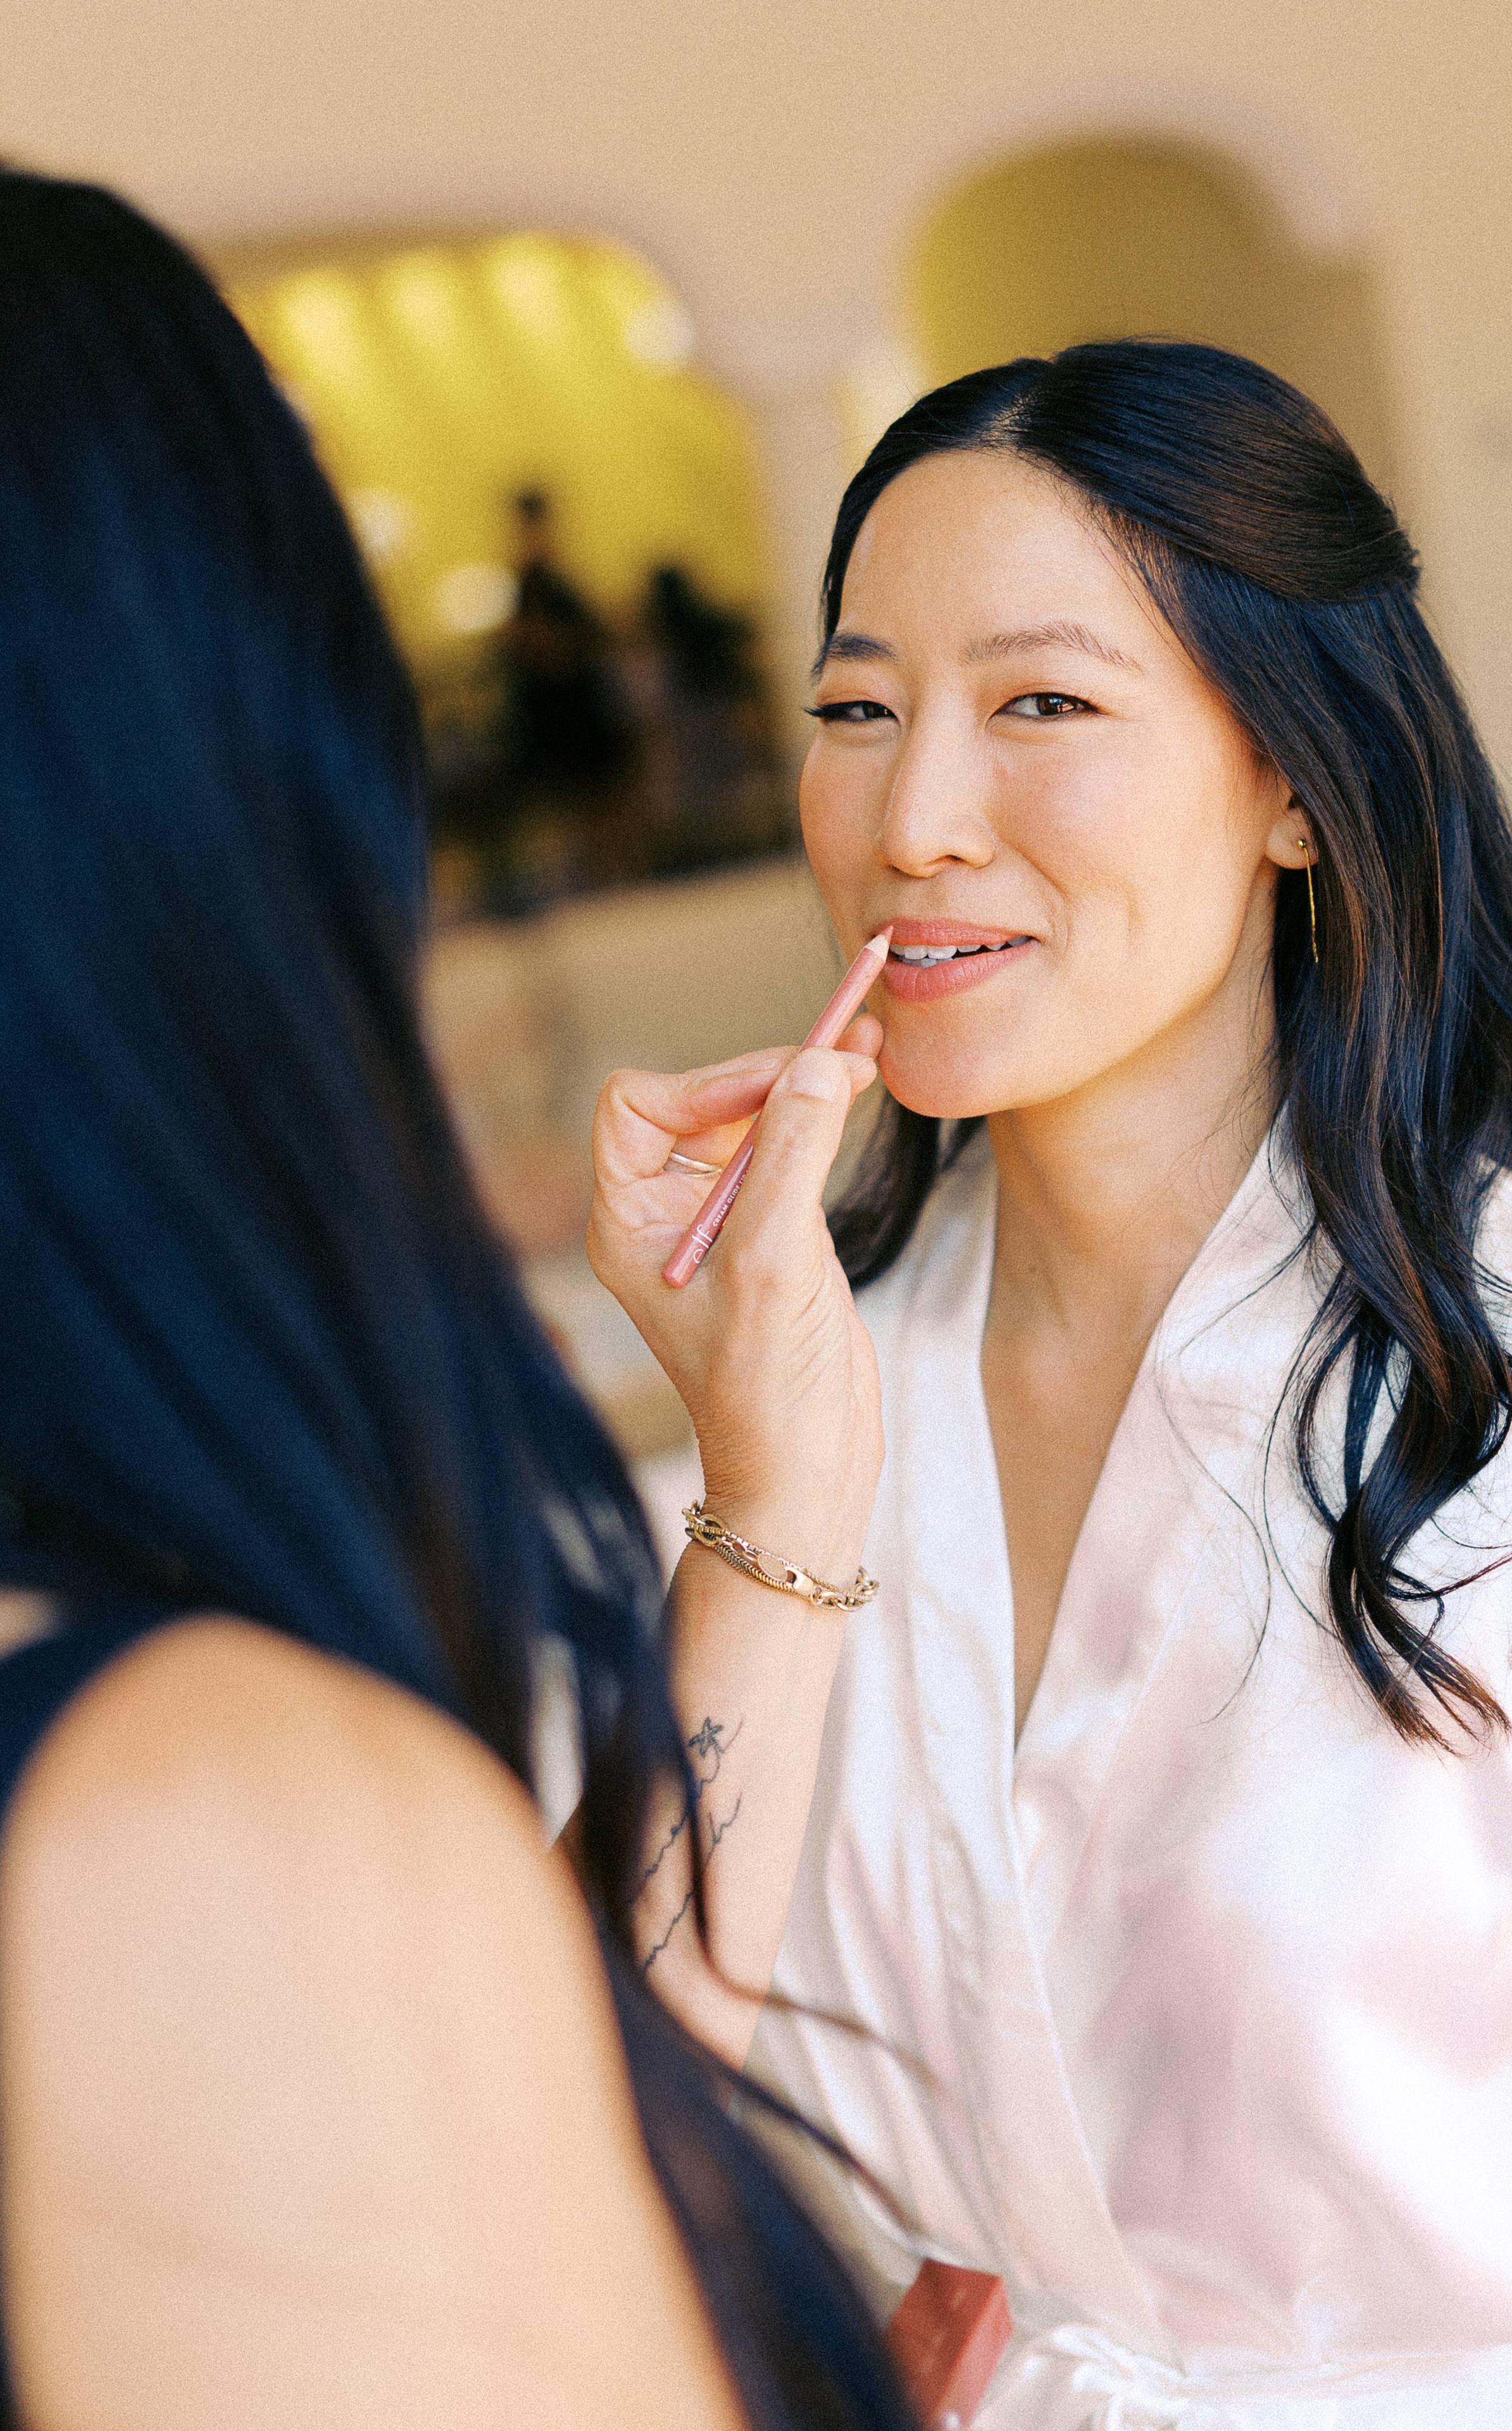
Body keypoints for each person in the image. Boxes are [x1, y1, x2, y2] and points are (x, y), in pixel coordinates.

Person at [590, 342, 1512, 2427]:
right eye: (857, 711)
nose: (912, 820)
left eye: (1041, 705)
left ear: (1298, 787)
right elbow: (593, 2104)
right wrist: (769, 1496)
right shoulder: (811, 1393)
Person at [0, 166, 919, 2431]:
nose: (927, 820)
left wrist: (778, 1501)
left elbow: (486, 2172)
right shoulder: (197, 1842)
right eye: (863, 706)